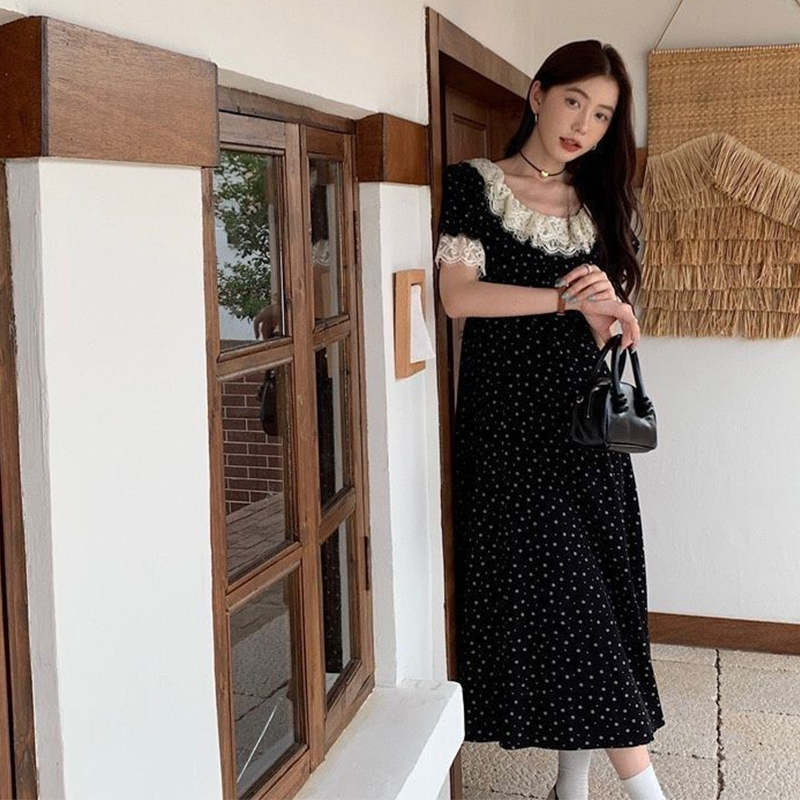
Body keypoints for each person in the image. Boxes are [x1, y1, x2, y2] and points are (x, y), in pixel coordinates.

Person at [435, 40, 668, 800]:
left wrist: (611, 315)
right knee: (576, 609)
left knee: (598, 601)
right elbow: (459, 297)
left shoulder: (598, 201)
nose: (582, 126)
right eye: (574, 102)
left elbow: (598, 336)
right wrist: (564, 299)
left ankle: (572, 786)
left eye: (601, 116)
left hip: (587, 432)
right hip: (509, 434)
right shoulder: (474, 184)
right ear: (538, 95)